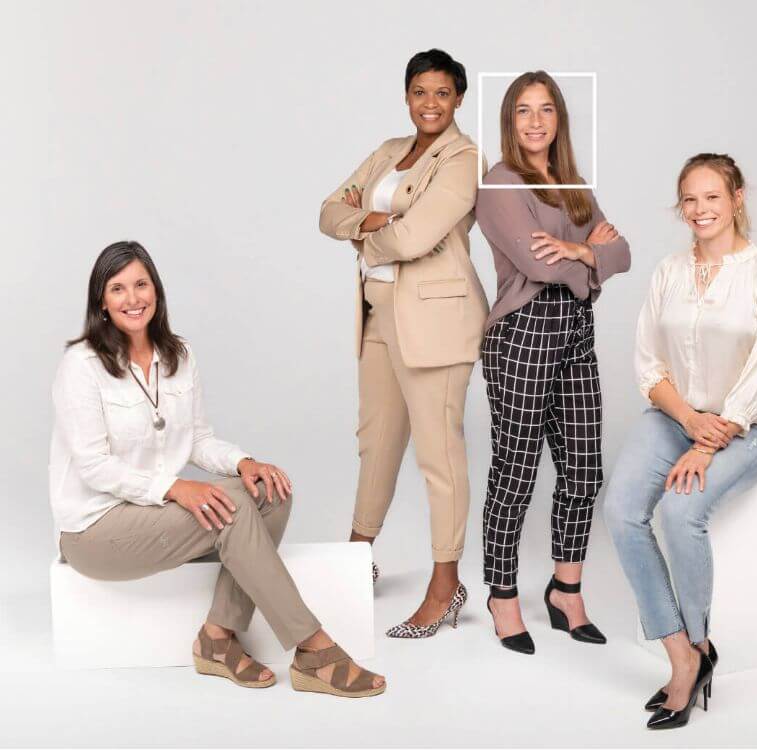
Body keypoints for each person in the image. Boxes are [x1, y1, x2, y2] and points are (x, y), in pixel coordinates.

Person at [52, 241, 384, 697]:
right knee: (233, 511)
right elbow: (93, 466)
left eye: (141, 284)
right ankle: (313, 648)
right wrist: (174, 488)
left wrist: (245, 462)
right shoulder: (82, 365)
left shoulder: (178, 355)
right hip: (94, 530)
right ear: (101, 302)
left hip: (154, 513)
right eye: (118, 288)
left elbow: (199, 440)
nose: (133, 298)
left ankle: (217, 638)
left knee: (269, 493)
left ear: (156, 290)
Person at [603, 154, 757, 729]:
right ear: (680, 207)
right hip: (675, 416)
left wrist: (709, 442)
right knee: (621, 510)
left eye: (713, 196)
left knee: (682, 510)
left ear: (736, 198)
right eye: (690, 199)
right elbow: (647, 363)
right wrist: (687, 420)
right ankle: (681, 651)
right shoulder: (668, 272)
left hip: (749, 428)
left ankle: (698, 649)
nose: (701, 209)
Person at [318, 49, 488, 638]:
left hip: (437, 322)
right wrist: (369, 221)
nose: (431, 103)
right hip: (377, 316)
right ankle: (355, 560)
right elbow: (326, 211)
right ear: (407, 96)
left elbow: (415, 237)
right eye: (420, 91)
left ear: (459, 98)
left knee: (438, 457)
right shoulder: (389, 152)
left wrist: (364, 226)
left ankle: (446, 585)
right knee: (377, 443)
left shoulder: (463, 159)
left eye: (442, 92)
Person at [474, 71, 630, 655]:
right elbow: (539, 268)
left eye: (545, 109)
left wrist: (582, 250)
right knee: (515, 471)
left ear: (559, 118)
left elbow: (625, 251)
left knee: (584, 469)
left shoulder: (571, 183)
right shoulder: (499, 183)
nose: (535, 121)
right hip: (522, 333)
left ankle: (566, 591)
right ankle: (503, 594)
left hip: (574, 335)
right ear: (509, 120)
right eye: (522, 110)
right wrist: (591, 258)